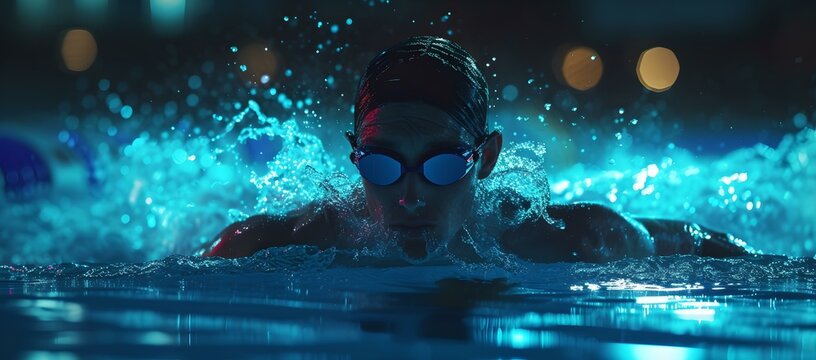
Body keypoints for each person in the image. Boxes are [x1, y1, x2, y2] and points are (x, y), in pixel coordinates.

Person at [200, 36, 754, 263]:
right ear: (356, 156)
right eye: (382, 163)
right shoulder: (290, 240)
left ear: (484, 159)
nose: (409, 195)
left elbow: (691, 238)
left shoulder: (562, 238)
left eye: (441, 164)